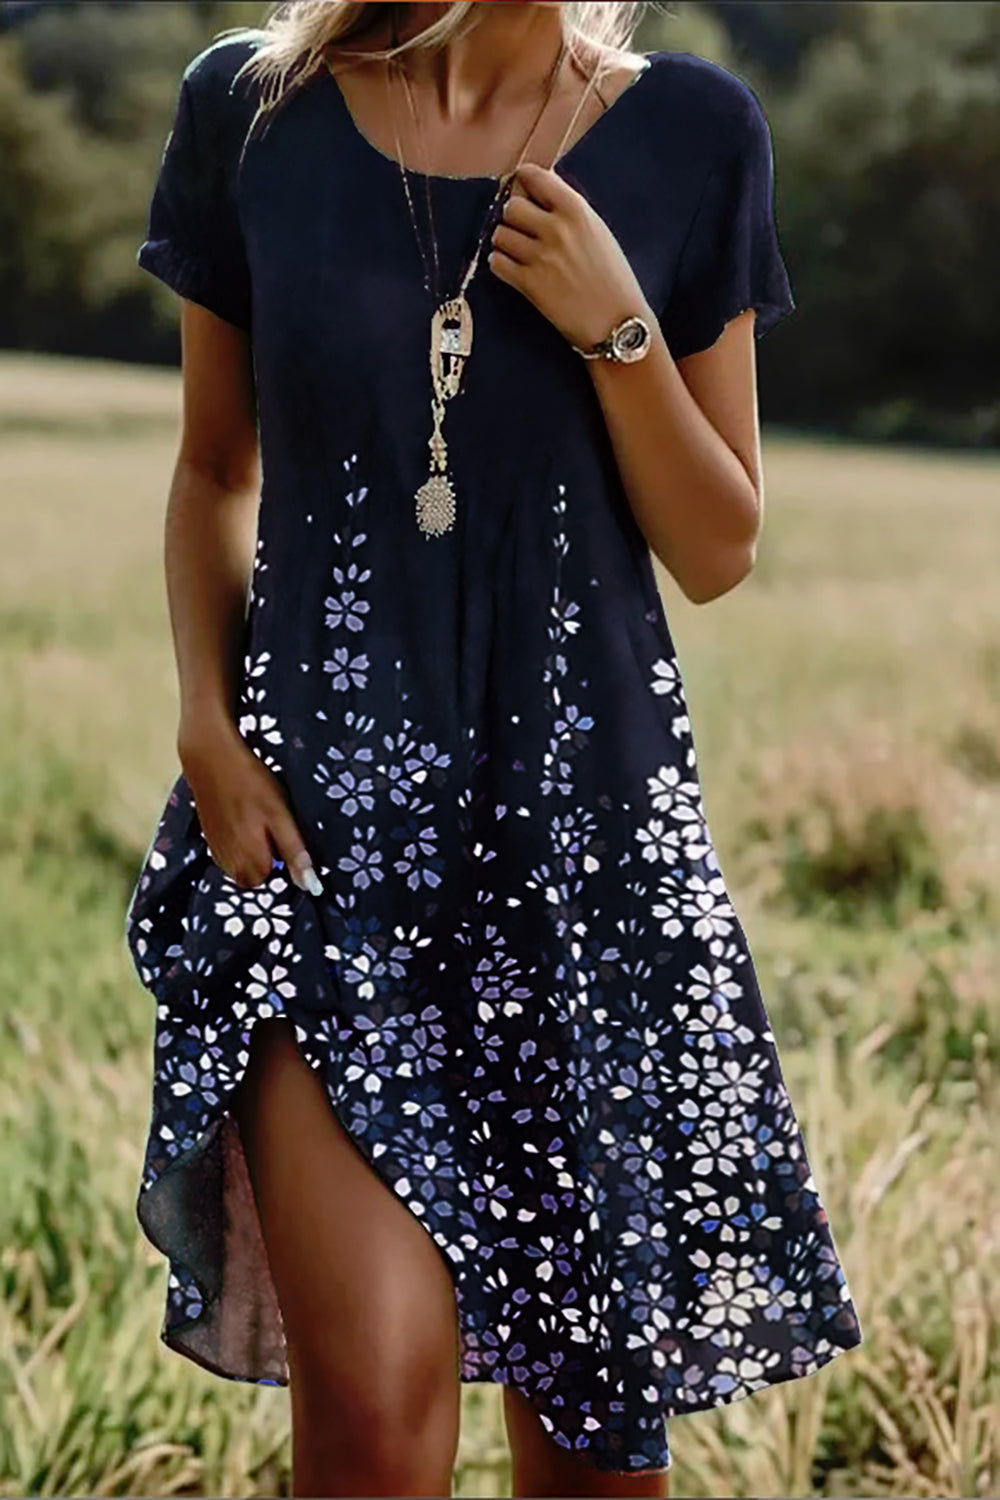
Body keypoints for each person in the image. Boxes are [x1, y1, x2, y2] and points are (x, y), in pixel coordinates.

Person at [125, 2, 864, 1496]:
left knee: (594, 1451)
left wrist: (619, 325)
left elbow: (717, 546)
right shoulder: (253, 111)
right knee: (379, 1411)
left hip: (582, 860)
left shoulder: (694, 135)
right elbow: (215, 461)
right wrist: (207, 725)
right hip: (322, 842)